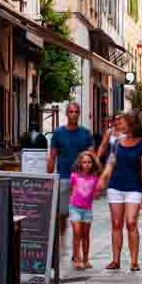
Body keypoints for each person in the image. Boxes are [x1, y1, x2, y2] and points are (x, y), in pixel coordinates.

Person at [98, 110, 142, 271]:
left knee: (131, 222)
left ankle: (134, 261)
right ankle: (116, 260)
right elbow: (110, 163)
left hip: (134, 188)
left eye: (123, 122)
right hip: (115, 186)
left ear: (131, 124)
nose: (120, 124)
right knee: (116, 223)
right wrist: (102, 178)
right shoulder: (117, 143)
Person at [47, 102, 94, 264]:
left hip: (82, 181)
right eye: (71, 112)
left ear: (79, 113)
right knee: (62, 213)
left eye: (76, 111)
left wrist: (93, 177)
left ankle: (77, 253)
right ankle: (62, 238)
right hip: (64, 177)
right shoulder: (58, 134)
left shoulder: (85, 134)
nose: (73, 114)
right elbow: (52, 155)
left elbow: (92, 156)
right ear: (66, 114)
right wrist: (49, 178)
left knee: (79, 218)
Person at [69, 150, 103, 270]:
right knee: (77, 232)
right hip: (75, 208)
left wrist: (98, 193)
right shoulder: (74, 176)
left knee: (85, 234)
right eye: (84, 162)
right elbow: (71, 189)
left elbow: (96, 194)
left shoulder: (95, 178)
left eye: (89, 162)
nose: (87, 164)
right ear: (80, 164)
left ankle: (86, 259)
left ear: (92, 164)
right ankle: (77, 259)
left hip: (87, 209)